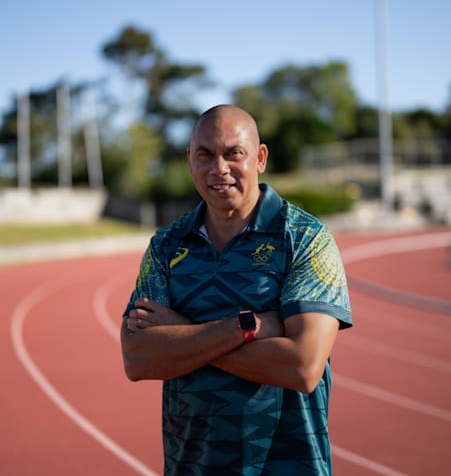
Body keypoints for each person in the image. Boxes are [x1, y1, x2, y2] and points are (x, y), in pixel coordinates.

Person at [121, 104, 353, 475]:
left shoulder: (305, 239)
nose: (219, 169)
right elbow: (138, 359)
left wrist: (182, 334)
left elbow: (302, 366)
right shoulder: (166, 246)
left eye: (234, 153)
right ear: (189, 161)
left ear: (260, 158)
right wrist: (246, 327)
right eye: (205, 155)